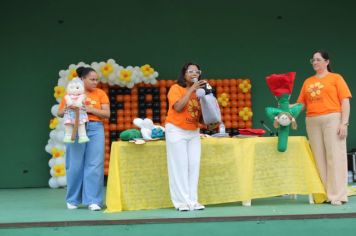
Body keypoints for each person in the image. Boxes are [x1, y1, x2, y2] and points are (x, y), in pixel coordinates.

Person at [296, 51, 352, 205]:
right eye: (313, 60)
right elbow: (301, 104)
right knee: (319, 157)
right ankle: (324, 194)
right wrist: (285, 110)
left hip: (332, 118)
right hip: (312, 121)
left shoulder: (336, 78)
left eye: (318, 60)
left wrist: (344, 123)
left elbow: (345, 101)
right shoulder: (307, 81)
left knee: (335, 156)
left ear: (327, 62)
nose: (315, 62)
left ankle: (337, 195)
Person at [58, 66, 110, 211]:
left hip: (95, 129)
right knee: (74, 164)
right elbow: (60, 112)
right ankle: (72, 200)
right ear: (82, 79)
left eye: (97, 80)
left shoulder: (101, 94)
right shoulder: (71, 93)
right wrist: (71, 107)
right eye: (92, 79)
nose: (95, 82)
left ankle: (93, 200)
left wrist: (90, 109)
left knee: (94, 165)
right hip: (76, 127)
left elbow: (106, 114)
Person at [165, 62, 208, 211]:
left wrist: (211, 115)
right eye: (190, 71)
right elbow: (178, 107)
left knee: (194, 165)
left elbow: (202, 117)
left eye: (197, 71)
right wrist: (191, 90)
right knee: (180, 166)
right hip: (176, 130)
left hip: (193, 131)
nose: (194, 74)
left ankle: (193, 201)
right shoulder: (175, 88)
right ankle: (181, 202)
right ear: (184, 74)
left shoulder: (200, 93)